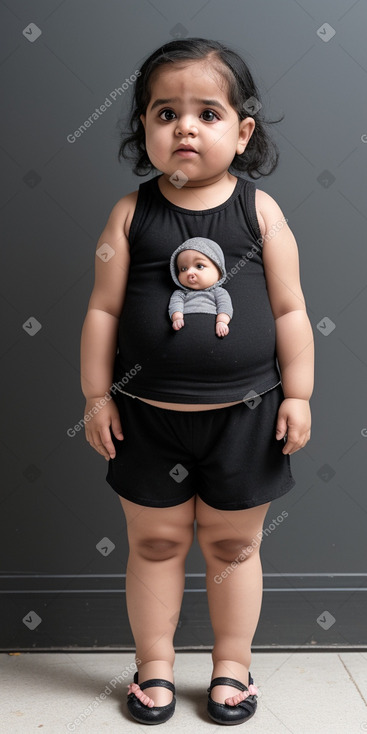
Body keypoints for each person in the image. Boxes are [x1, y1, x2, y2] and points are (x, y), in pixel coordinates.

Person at [80, 37, 314, 726]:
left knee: (233, 545)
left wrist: (297, 393)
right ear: (144, 130)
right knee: (152, 543)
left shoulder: (259, 212)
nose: (184, 126)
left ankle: (231, 666)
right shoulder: (130, 214)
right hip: (146, 417)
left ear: (241, 132)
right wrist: (96, 395)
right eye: (164, 112)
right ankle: (153, 665)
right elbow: (101, 310)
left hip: (246, 417)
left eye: (207, 113)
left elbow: (291, 309)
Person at [168, 237, 233, 337]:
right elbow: (175, 305)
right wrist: (177, 318)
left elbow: (225, 306)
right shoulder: (180, 293)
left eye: (199, 266)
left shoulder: (219, 292)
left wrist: (222, 322)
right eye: (183, 269)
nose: (189, 272)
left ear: (219, 272)